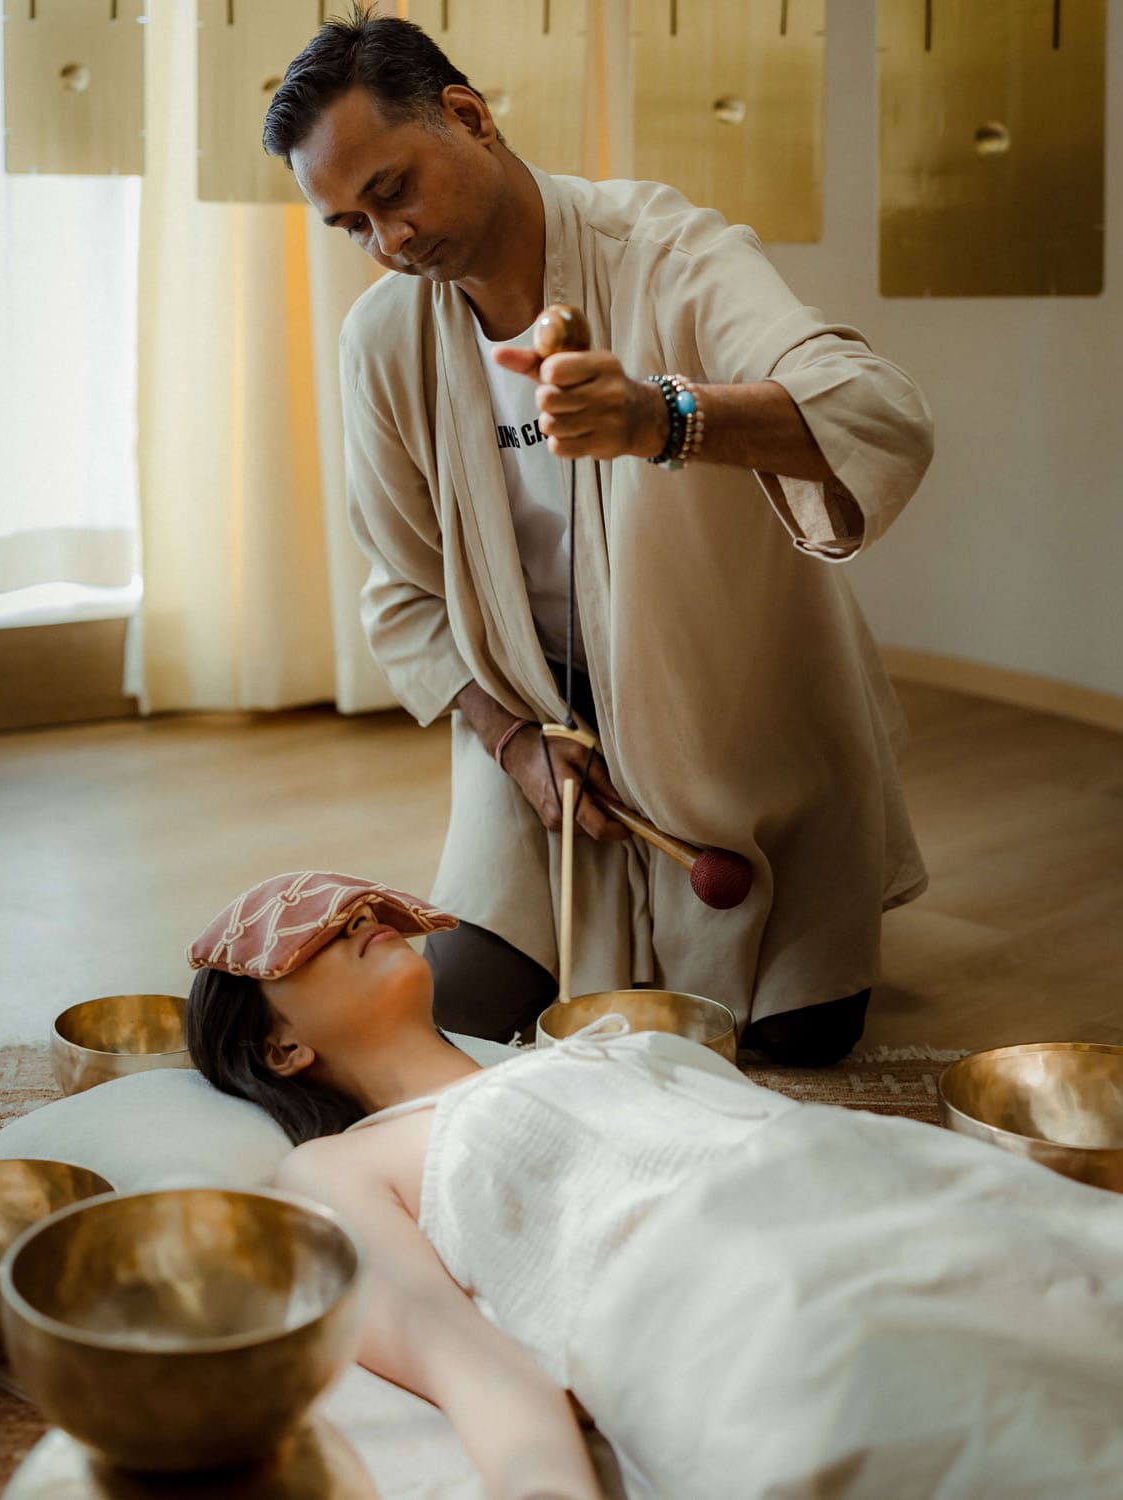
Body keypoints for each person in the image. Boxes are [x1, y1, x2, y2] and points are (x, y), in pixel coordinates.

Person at [262, 9, 936, 1061]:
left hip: (731, 732)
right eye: (350, 224)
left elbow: (879, 414)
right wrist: (519, 746)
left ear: (468, 116)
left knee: (791, 1038)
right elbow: (404, 592)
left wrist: (659, 420)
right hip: (543, 732)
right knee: (459, 1017)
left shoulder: (667, 250)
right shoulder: (383, 342)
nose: (388, 243)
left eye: (391, 191)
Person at [185, 872, 1123, 1500]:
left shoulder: (607, 1041)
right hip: (740, 1300)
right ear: (280, 1045)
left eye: (359, 908)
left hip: (882, 1184)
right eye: (307, 938)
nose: (359, 919)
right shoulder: (336, 1167)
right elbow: (459, 1355)